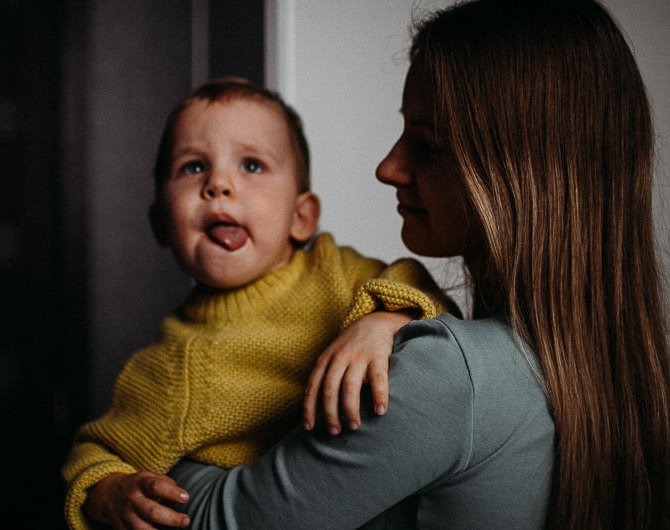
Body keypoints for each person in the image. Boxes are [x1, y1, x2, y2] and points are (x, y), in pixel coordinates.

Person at [159, 1, 670, 528]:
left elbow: (221, 521)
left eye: (426, 145)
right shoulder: (608, 374)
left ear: (517, 174)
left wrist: (159, 446)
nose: (388, 168)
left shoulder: (447, 376)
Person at [62, 78, 459, 529]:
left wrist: (382, 322)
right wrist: (107, 491)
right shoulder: (176, 362)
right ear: (160, 223)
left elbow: (427, 294)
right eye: (193, 168)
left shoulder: (337, 271)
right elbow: (98, 450)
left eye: (251, 165)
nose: (219, 185)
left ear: (301, 216)